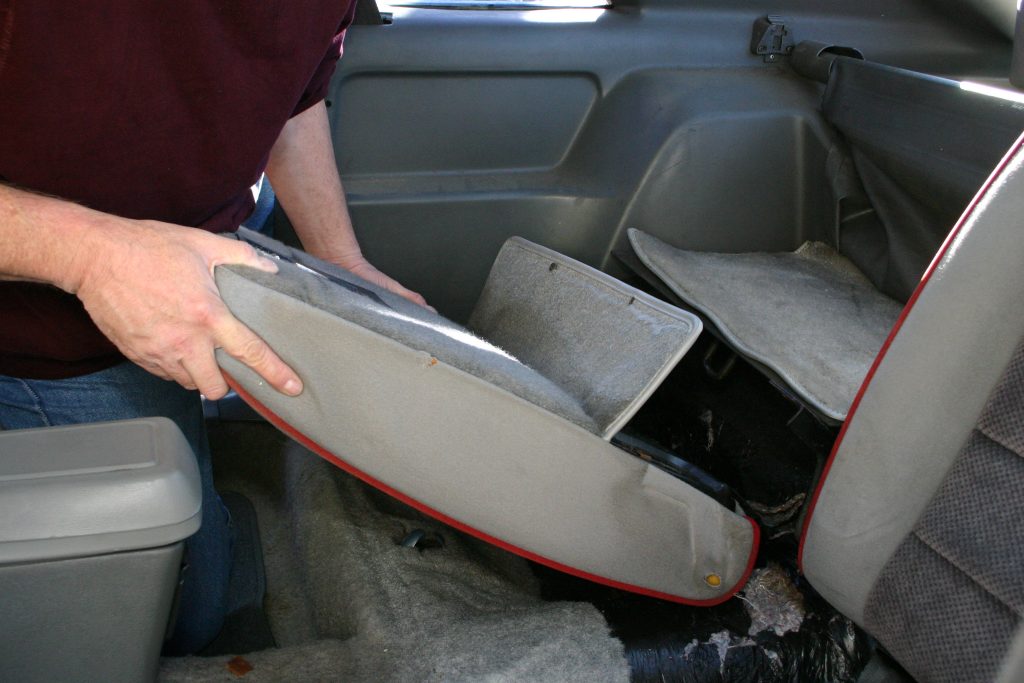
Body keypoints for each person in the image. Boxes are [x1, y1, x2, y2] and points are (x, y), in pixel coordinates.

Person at [0, 3, 427, 653]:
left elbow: (289, 90)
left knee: (198, 590)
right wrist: (90, 257)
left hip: (187, 283)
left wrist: (342, 261)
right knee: (166, 622)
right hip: (37, 337)